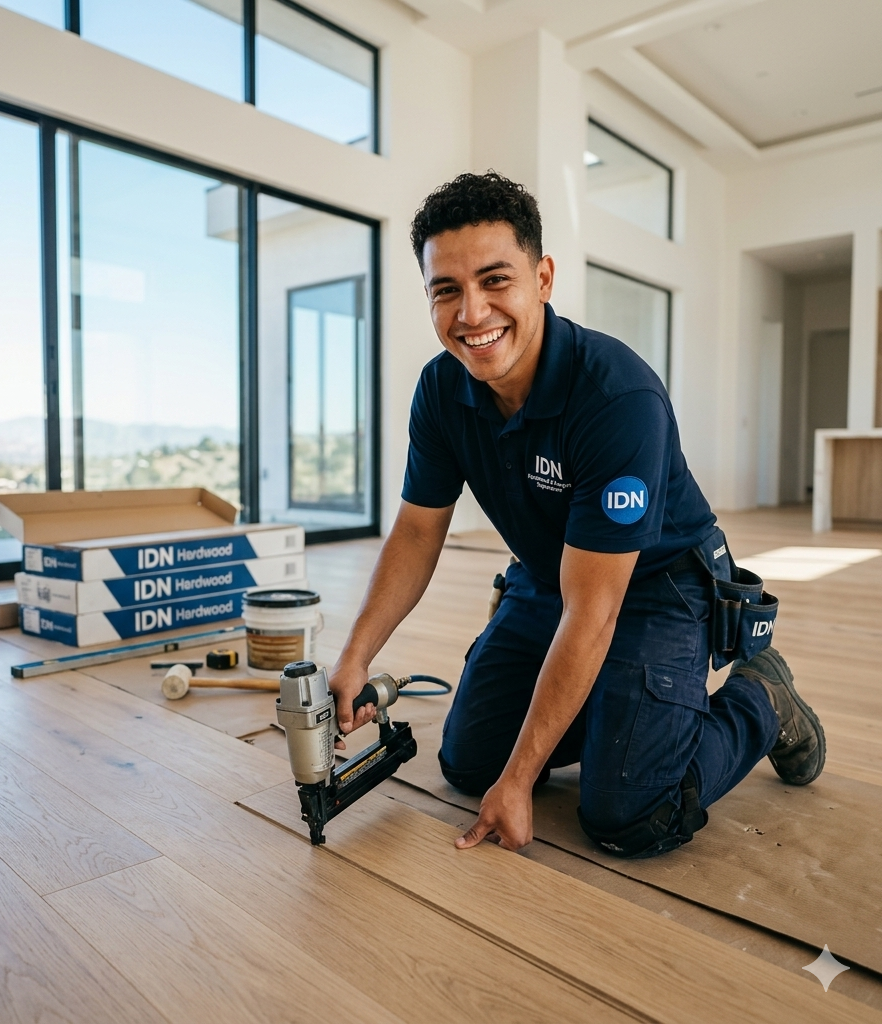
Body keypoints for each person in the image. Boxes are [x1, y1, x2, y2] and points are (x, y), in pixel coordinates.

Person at [328, 171, 826, 858]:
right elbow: (417, 531)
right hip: (547, 575)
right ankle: (620, 710)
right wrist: (355, 657)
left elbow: (595, 608)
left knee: (630, 815)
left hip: (658, 584)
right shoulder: (441, 389)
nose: (471, 312)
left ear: (543, 279)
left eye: (495, 280)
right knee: (470, 765)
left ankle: (761, 697)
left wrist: (521, 780)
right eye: (446, 290)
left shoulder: (616, 397)